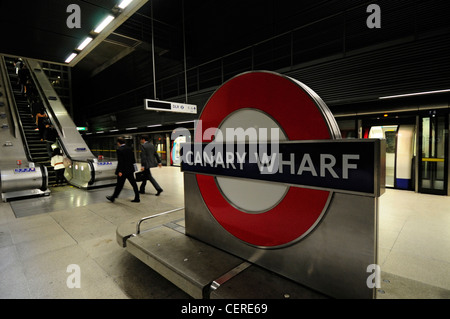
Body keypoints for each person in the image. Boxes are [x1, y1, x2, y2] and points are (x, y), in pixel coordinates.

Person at [106, 137, 140, 203]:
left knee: (119, 185)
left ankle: (113, 197)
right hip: (130, 169)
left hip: (123, 171)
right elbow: (133, 159)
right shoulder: (129, 148)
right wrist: (134, 167)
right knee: (133, 184)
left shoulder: (119, 150)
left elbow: (120, 161)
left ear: (118, 143)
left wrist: (120, 171)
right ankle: (137, 197)